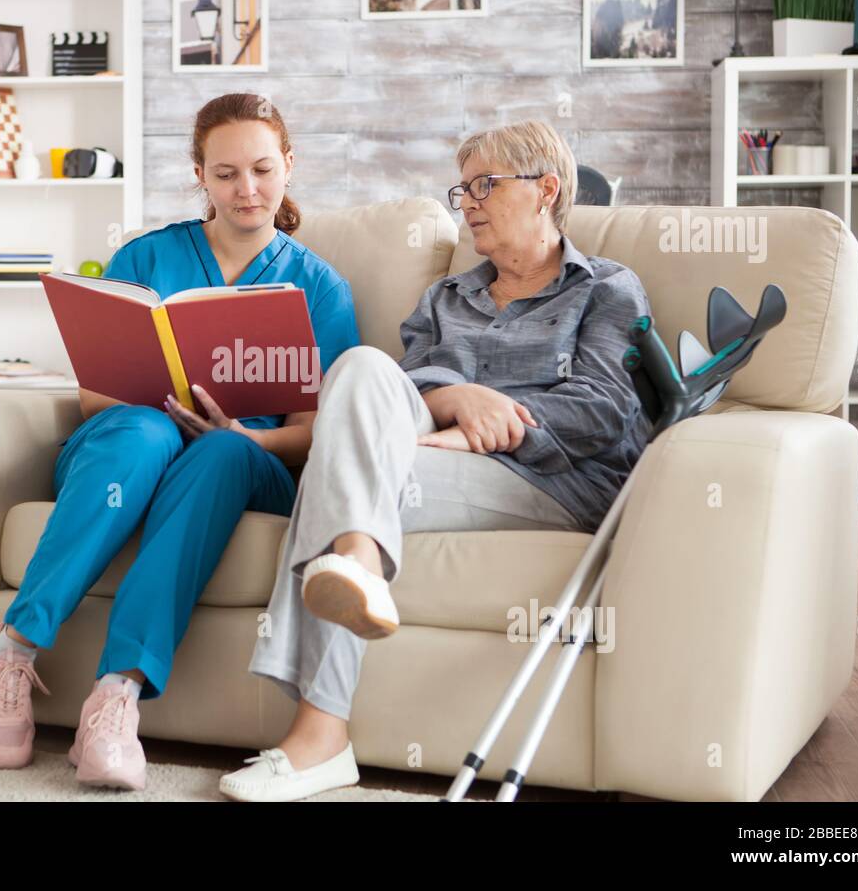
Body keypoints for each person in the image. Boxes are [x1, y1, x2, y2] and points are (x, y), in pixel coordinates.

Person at [220, 120, 653, 802]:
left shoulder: (606, 288)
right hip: (429, 456)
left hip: (554, 481)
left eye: (485, 185)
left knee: (349, 468)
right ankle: (357, 565)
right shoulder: (445, 298)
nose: (469, 202)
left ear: (546, 189)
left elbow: (603, 409)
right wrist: (460, 396)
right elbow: (405, 387)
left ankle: (320, 733)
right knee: (359, 368)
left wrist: (480, 429)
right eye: (463, 190)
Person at [0, 93, 360, 791]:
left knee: (222, 451)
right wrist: (166, 413)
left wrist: (243, 435)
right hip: (133, 445)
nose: (247, 189)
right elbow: (94, 397)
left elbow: (322, 432)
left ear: (289, 167)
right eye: (227, 172)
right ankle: (8, 656)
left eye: (263, 170)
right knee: (144, 434)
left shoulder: (320, 287)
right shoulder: (145, 257)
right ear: (200, 175)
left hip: (248, 463)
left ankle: (115, 697)